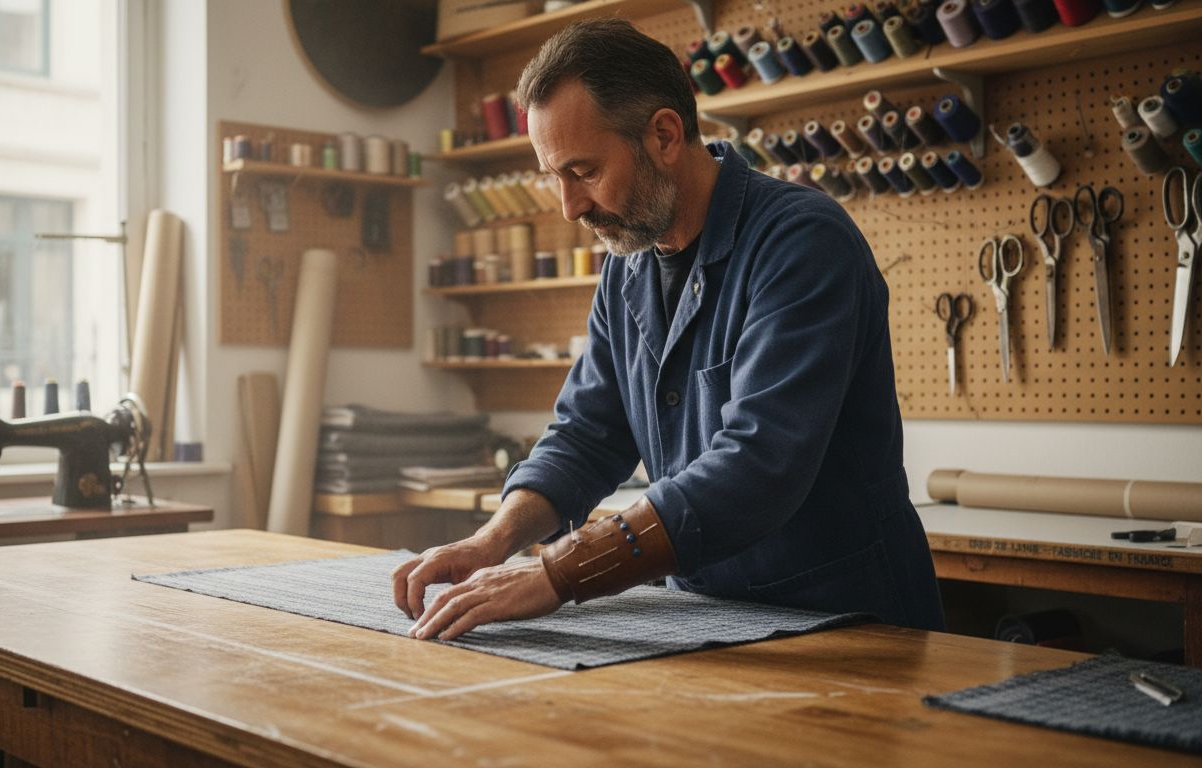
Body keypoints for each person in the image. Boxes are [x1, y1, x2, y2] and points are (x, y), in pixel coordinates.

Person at [391, 18, 944, 641]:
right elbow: (586, 436)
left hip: (844, 623)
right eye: (554, 177)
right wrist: (493, 542)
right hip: (704, 619)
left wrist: (559, 574)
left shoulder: (803, 242)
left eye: (585, 171)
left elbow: (761, 463)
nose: (570, 206)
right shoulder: (628, 266)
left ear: (664, 134)